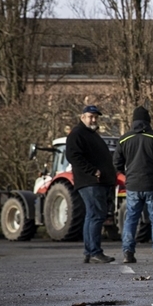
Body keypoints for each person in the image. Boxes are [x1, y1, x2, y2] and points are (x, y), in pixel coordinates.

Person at [113, 106, 153, 263]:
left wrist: (128, 175)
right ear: (148, 121)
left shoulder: (124, 139)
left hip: (133, 185)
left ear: (133, 121)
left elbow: (116, 162)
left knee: (131, 219)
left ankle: (128, 252)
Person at [65, 105, 116, 264]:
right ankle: (94, 251)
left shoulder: (91, 134)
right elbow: (73, 156)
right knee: (96, 215)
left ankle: (90, 251)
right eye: (90, 116)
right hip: (90, 182)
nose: (93, 119)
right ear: (82, 117)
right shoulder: (77, 134)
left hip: (96, 182)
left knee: (92, 215)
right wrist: (93, 171)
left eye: (95, 117)